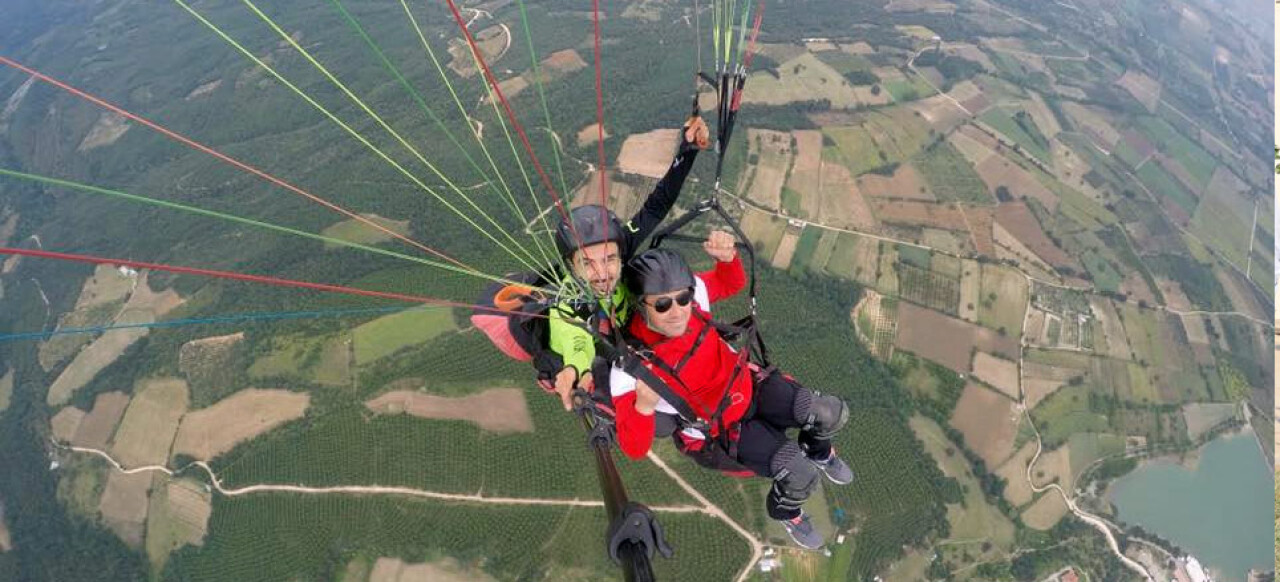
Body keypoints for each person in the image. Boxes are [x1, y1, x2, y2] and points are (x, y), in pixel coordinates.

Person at [608, 234, 853, 549]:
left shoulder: (695, 302)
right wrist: (643, 406)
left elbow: (730, 282)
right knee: (800, 475)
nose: (678, 310)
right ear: (641, 305)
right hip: (722, 428)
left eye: (682, 298)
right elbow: (634, 447)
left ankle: (820, 451)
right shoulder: (631, 367)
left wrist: (727, 259)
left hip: (750, 386)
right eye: (663, 304)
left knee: (828, 413)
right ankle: (786, 511)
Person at [537, 115, 709, 410]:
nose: (602, 273)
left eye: (608, 259)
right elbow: (575, 339)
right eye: (587, 264)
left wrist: (688, 151)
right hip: (615, 352)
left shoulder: (620, 245)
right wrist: (576, 370)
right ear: (571, 267)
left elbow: (656, 206)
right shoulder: (568, 302)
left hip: (638, 332)